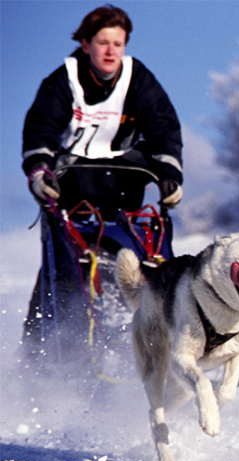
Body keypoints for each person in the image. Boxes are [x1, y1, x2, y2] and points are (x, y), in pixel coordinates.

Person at [21, 4, 184, 369]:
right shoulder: (62, 81)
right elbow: (40, 131)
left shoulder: (138, 79)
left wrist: (171, 175)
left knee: (157, 270)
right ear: (84, 43)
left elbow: (164, 131)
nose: (111, 51)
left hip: (125, 194)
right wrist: (39, 171)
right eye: (102, 42)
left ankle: (165, 352)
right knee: (65, 278)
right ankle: (44, 360)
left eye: (118, 43)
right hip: (72, 192)